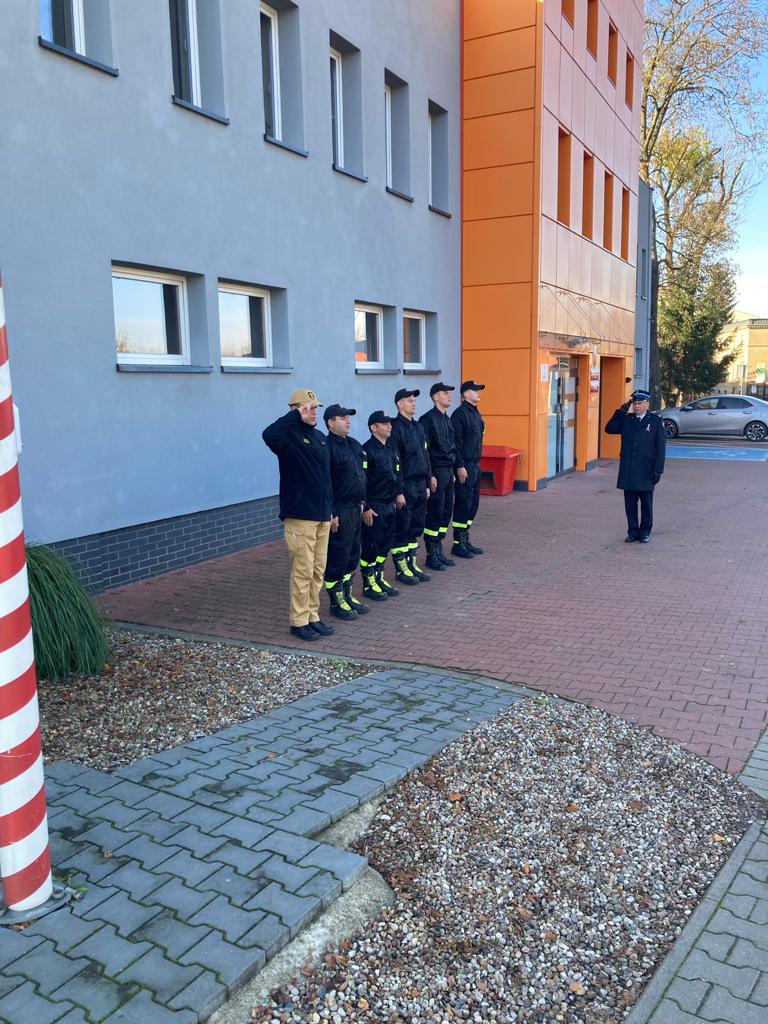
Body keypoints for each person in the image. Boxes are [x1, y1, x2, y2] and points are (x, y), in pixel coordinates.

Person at [262, 388, 335, 641]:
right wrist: (294, 416)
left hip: (322, 516)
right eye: (308, 408)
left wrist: (331, 511)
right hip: (300, 516)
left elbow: (327, 478)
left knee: (317, 570)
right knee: (303, 571)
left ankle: (312, 616)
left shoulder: (320, 438)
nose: (314, 412)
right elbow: (268, 434)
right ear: (295, 409)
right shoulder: (287, 438)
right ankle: (299, 621)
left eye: (316, 408)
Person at [322, 403, 369, 620]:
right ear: (330, 423)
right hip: (340, 510)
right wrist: (331, 512)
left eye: (348, 417)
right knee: (338, 555)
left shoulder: (354, 445)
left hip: (355, 507)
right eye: (343, 418)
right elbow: (325, 483)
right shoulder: (327, 447)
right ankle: (336, 601)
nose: (348, 421)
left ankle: (347, 594)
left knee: (352, 555)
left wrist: (364, 503)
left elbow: (363, 476)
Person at [604, 388, 666, 543]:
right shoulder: (627, 419)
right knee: (630, 505)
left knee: (646, 504)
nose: (636, 406)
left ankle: (644, 532)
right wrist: (620, 412)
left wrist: (658, 470)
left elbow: (661, 448)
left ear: (647, 403)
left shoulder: (655, 421)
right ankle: (632, 531)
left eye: (640, 403)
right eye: (634, 404)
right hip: (629, 469)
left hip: (646, 469)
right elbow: (609, 429)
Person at [389, 388, 434, 584]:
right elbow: (394, 462)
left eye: (414, 400)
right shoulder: (395, 428)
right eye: (409, 400)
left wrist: (427, 481)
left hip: (420, 485)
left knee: (416, 526)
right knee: (402, 527)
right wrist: (398, 491)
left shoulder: (418, 427)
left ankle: (411, 564)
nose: (413, 403)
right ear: (400, 404)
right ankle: (401, 570)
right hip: (406, 486)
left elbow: (425, 455)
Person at [360, 411, 405, 601]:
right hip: (375, 506)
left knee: (385, 544)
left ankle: (378, 578)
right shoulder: (366, 450)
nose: (389, 426)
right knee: (371, 545)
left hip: (389, 504)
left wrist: (399, 493)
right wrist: (366, 507)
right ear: (374, 427)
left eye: (390, 423)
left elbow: (398, 473)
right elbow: (362, 482)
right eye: (385, 423)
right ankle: (368, 583)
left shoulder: (391, 448)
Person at [419, 382, 457, 571]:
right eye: (445, 393)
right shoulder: (427, 420)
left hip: (448, 471)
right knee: (435, 511)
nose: (449, 396)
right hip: (437, 472)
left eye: (449, 393)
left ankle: (438, 548)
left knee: (446, 511)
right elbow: (425, 452)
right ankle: (431, 554)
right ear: (435, 397)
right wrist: (431, 475)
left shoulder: (447, 419)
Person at [451, 380, 486, 558]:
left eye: (479, 390)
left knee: (473, 504)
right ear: (465, 394)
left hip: (475, 465)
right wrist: (460, 466)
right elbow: (456, 444)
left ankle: (465, 539)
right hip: (465, 466)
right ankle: (458, 544)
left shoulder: (476, 413)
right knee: (463, 503)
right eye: (474, 390)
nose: (478, 393)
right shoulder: (460, 415)